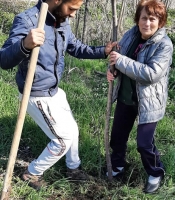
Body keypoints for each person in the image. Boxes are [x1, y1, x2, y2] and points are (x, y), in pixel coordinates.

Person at [0, 0, 116, 190]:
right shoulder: (28, 20)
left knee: (73, 130)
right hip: (36, 93)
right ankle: (32, 172)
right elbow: (4, 60)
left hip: (54, 90)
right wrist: (24, 44)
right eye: (72, 8)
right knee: (62, 139)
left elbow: (76, 47)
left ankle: (73, 168)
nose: (73, 15)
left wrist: (102, 51)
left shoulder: (61, 21)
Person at [107, 0, 173, 194]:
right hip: (126, 96)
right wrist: (112, 71)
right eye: (144, 18)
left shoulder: (164, 45)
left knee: (144, 143)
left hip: (149, 102)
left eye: (152, 19)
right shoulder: (130, 35)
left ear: (160, 22)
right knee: (117, 137)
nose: (147, 23)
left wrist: (121, 62)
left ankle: (155, 172)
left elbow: (151, 74)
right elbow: (116, 56)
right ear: (138, 20)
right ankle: (117, 165)